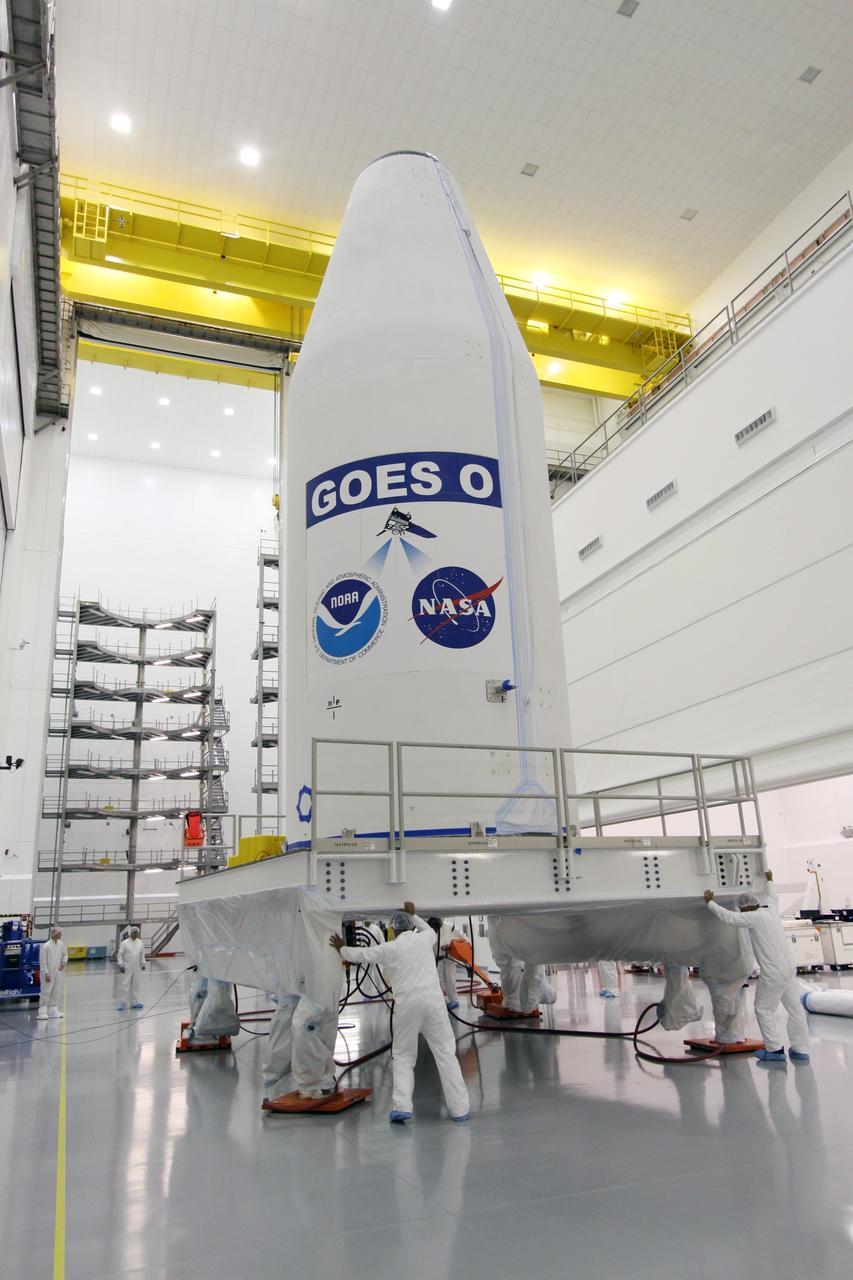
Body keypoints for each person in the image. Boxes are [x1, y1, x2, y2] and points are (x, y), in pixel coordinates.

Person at [330, 901, 470, 1124]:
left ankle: (402, 1106)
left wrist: (342, 949)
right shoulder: (425, 939)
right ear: (409, 926)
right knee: (445, 1054)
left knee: (404, 1056)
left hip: (407, 1008)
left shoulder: (391, 948)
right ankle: (460, 1109)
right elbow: (428, 930)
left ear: (392, 929)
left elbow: (364, 954)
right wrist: (414, 915)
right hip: (434, 1005)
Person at [704, 871, 810, 1062]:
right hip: (789, 969)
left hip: (773, 974)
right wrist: (770, 881)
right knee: (795, 1009)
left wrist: (710, 903)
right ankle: (801, 1049)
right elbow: (773, 896)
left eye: (741, 909)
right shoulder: (770, 911)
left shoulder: (753, 917)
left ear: (745, 908)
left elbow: (730, 918)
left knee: (763, 1009)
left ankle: (774, 1050)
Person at [487, 917, 540, 1016]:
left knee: (514, 968)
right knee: (512, 969)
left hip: (505, 936)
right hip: (504, 937)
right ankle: (514, 1003)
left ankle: (515, 1003)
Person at [427, 916, 462, 1010]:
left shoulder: (450, 928)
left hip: (449, 958)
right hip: (437, 960)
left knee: (450, 979)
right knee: (438, 980)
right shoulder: (428, 930)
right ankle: (441, 1001)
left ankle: (454, 1000)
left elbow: (462, 938)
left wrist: (451, 946)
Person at [38, 927, 68, 1020]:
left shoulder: (61, 944)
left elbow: (65, 954)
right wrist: (46, 973)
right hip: (48, 972)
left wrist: (63, 963)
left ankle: (53, 1010)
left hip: (57, 972)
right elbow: (42, 961)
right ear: (54, 934)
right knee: (46, 991)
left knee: (56, 990)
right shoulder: (46, 946)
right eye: (60, 932)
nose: (61, 934)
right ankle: (42, 1011)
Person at [116, 926, 146, 1011]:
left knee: (136, 984)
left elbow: (142, 954)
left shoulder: (140, 942)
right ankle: (122, 1002)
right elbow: (120, 954)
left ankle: (134, 1002)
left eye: (137, 933)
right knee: (125, 984)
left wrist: (143, 963)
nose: (136, 934)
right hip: (126, 967)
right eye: (134, 932)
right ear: (130, 933)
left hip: (136, 967)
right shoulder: (125, 943)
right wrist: (121, 965)